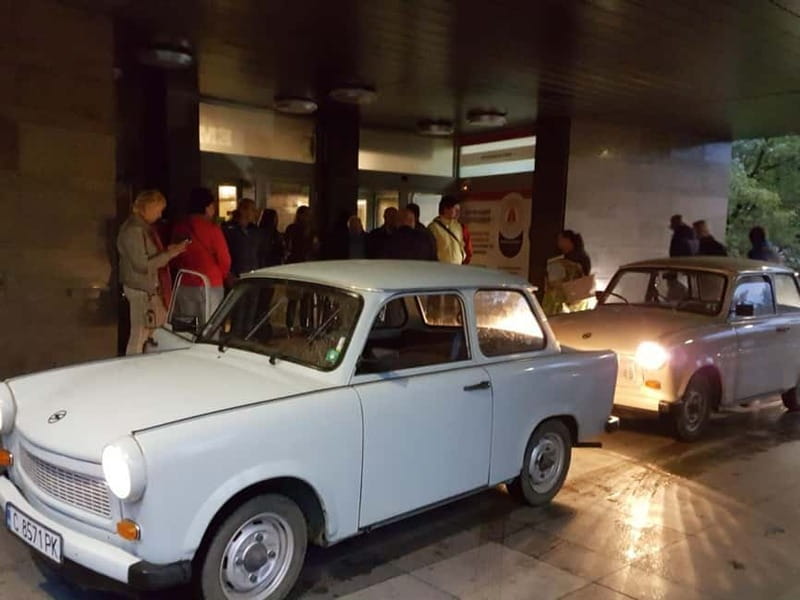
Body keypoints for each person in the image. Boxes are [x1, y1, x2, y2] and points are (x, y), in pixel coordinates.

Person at [117, 190, 188, 355]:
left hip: (149, 289)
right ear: (147, 207)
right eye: (158, 209)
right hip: (141, 289)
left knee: (153, 330)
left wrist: (168, 252)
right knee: (140, 333)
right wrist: (170, 254)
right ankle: (133, 368)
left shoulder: (142, 228)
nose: (160, 214)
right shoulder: (134, 230)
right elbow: (142, 265)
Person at [171, 187, 232, 322]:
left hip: (185, 283)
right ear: (207, 207)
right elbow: (224, 259)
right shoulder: (213, 229)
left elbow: (173, 257)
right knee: (209, 328)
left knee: (186, 329)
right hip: (211, 283)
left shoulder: (180, 228)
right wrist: (222, 275)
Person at [543, 230, 593, 315]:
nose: (558, 242)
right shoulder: (580, 256)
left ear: (567, 240)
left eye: (560, 239)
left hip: (568, 300)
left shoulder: (573, 259)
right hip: (576, 300)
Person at [223, 198, 262, 279]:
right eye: (253, 210)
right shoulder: (228, 230)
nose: (255, 213)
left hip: (253, 275)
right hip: (235, 276)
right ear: (243, 210)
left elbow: (259, 253)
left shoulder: (255, 231)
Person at [428, 195, 465, 264]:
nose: (458, 213)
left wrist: (463, 256)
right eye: (455, 209)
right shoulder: (433, 227)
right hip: (442, 268)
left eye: (458, 210)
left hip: (458, 266)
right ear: (446, 209)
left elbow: (461, 243)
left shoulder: (458, 226)